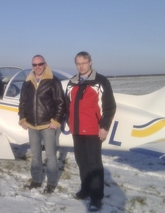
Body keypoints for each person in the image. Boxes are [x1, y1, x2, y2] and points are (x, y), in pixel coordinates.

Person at [65, 52, 116, 211]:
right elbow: (68, 104)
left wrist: (104, 126)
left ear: (90, 63)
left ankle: (96, 197)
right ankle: (85, 188)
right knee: (81, 161)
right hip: (77, 129)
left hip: (94, 129)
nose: (81, 66)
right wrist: (69, 120)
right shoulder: (72, 82)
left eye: (84, 63)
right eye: (78, 63)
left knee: (94, 164)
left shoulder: (100, 81)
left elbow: (109, 107)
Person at [18, 55, 65, 194]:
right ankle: (36, 180)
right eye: (34, 64)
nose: (37, 67)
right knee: (35, 154)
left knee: (50, 155)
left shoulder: (53, 81)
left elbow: (60, 103)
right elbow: (22, 102)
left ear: (45, 64)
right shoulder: (27, 82)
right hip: (32, 125)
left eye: (40, 64)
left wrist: (56, 121)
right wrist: (22, 119)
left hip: (47, 125)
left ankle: (51, 183)